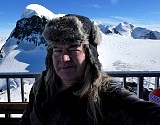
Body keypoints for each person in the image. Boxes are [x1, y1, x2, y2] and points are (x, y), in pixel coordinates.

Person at [20, 14, 160, 125]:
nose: (64, 58)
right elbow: (26, 121)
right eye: (57, 49)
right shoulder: (41, 86)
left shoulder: (106, 95)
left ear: (90, 55)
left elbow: (143, 114)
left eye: (73, 48)